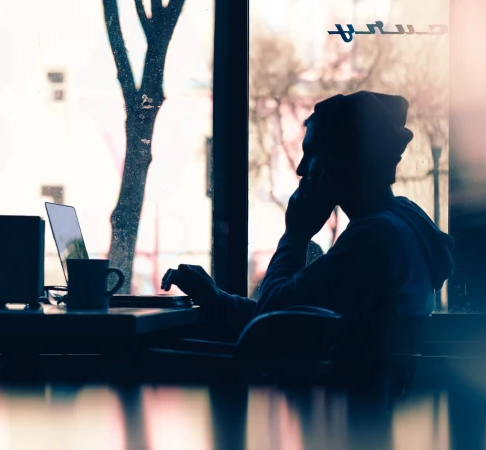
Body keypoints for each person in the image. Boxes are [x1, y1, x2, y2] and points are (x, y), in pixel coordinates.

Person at [161, 91, 455, 341]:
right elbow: (293, 310)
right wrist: (216, 299)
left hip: (346, 401)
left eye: (311, 153)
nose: (302, 169)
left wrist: (296, 235)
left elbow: (271, 320)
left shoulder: (373, 238)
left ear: (347, 159)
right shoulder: (404, 219)